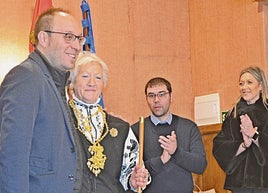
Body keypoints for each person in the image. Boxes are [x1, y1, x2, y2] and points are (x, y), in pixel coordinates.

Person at [0, 8, 84, 193]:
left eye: (79, 38)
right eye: (68, 37)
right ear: (44, 39)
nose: (77, 46)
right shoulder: (26, 77)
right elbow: (13, 155)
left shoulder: (55, 82)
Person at [67, 51, 150, 193]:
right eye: (85, 76)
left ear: (103, 84)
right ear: (72, 82)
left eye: (98, 78)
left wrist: (135, 179)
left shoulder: (121, 128)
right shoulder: (60, 121)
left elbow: (130, 173)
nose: (91, 83)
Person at [131, 77, 207, 193]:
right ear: (146, 99)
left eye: (162, 94)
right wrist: (161, 160)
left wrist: (176, 152)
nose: (156, 100)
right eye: (151, 95)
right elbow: (132, 172)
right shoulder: (136, 130)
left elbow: (200, 165)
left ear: (171, 97)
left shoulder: (189, 127)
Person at [213, 66, 268, 193]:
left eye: (249, 82)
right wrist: (243, 145)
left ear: (260, 86)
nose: (244, 87)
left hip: (263, 183)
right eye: (241, 83)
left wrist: (254, 135)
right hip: (239, 184)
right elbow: (219, 146)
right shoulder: (233, 114)